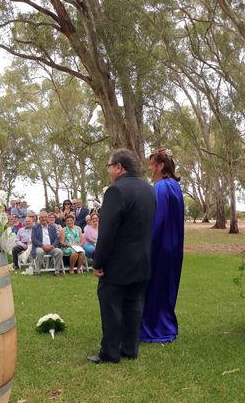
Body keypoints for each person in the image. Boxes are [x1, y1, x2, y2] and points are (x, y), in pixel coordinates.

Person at [88, 148, 156, 364]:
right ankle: (130, 349)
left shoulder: (115, 191)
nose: (108, 171)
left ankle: (110, 352)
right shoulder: (149, 190)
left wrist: (98, 261)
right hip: (142, 260)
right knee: (134, 306)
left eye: (109, 166)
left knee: (111, 305)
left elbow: (107, 231)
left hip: (118, 263)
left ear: (119, 167)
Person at [139, 148, 185, 343]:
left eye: (151, 164)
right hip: (173, 248)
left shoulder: (160, 188)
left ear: (160, 165)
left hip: (159, 247)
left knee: (155, 287)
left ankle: (154, 327)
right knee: (167, 287)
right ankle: (164, 324)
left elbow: (156, 222)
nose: (150, 168)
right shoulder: (175, 187)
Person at [31, 211, 63, 276]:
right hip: (40, 247)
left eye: (45, 217)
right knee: (40, 252)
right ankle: (37, 271)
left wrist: (52, 246)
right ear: (39, 219)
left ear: (47, 218)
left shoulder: (52, 227)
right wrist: (42, 246)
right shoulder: (35, 228)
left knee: (59, 251)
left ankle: (57, 271)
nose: (44, 219)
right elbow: (34, 239)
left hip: (51, 247)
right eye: (42, 217)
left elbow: (56, 239)